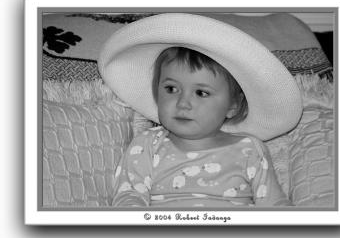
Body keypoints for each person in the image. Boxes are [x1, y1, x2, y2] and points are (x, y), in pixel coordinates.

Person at [98, 13, 303, 207]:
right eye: (171, 89)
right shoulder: (147, 144)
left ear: (233, 105)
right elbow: (129, 196)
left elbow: (274, 204)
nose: (182, 103)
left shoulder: (249, 148)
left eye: (201, 93)